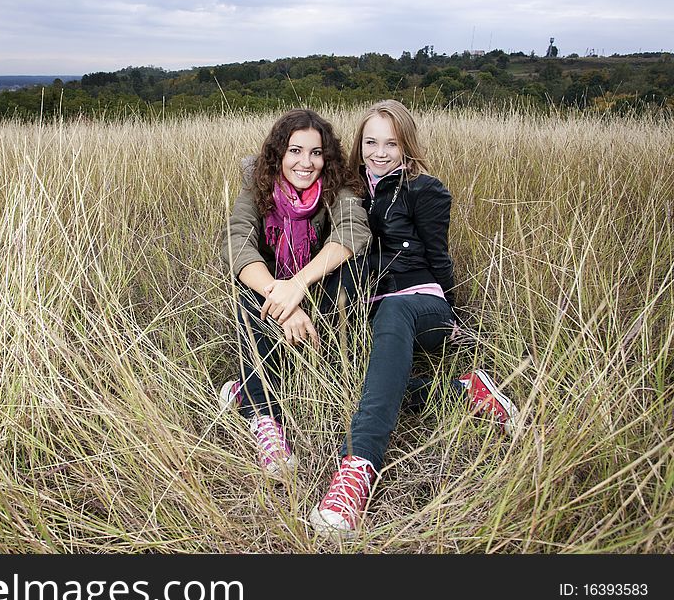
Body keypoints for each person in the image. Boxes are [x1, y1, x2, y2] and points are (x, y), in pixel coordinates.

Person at [308, 100, 519, 538]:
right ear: (359, 144)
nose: (380, 152)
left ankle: (357, 471)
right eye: (370, 142)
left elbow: (439, 260)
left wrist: (456, 321)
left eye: (391, 142)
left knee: (396, 308)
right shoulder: (348, 190)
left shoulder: (426, 190)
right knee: (342, 359)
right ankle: (463, 392)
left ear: (406, 144)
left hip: (423, 305)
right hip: (374, 310)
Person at [219, 108, 372, 478]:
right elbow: (236, 242)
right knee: (249, 293)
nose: (306, 162)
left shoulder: (340, 185)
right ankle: (266, 424)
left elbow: (353, 231)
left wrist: (298, 286)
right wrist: (283, 298)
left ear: (326, 157)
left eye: (316, 153)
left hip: (324, 302)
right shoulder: (256, 185)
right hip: (276, 305)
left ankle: (251, 389)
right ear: (278, 154)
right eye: (295, 151)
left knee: (355, 268)